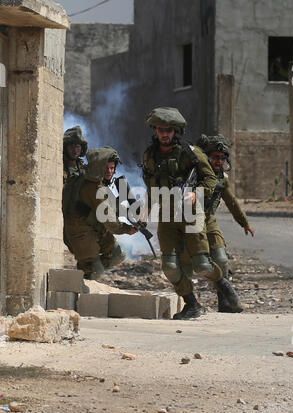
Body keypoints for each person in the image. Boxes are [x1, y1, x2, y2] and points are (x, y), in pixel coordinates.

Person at [141, 107, 242, 320]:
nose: (165, 134)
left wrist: (197, 194)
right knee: (169, 267)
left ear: (175, 131)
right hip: (167, 217)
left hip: (191, 214)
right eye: (161, 129)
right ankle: (191, 304)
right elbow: (151, 182)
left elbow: (210, 179)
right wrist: (147, 206)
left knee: (203, 265)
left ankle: (222, 282)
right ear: (155, 130)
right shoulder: (150, 155)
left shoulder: (191, 152)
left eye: (169, 130)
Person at [197, 134, 254, 312]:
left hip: (209, 220)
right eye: (215, 157)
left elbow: (231, 201)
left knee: (221, 259)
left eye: (222, 158)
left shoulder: (222, 178)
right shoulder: (195, 174)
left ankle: (224, 302)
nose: (219, 161)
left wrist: (244, 222)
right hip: (191, 221)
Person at [63, 147, 137, 280]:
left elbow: (112, 205)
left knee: (118, 254)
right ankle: (86, 273)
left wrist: (130, 214)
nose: (109, 172)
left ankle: (88, 270)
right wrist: (128, 229)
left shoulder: (96, 183)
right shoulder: (94, 187)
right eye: (106, 168)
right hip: (81, 234)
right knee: (96, 272)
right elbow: (111, 223)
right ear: (98, 167)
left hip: (95, 229)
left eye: (112, 168)